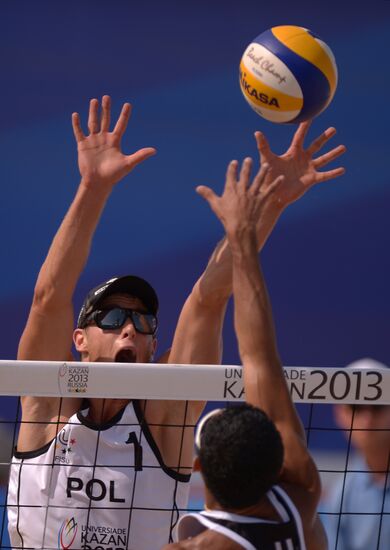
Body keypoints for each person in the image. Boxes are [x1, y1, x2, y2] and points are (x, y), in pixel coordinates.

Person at [7, 95, 345, 550]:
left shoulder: (166, 417)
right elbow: (49, 298)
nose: (130, 328)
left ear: (152, 350)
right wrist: (93, 187)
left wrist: (272, 203)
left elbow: (208, 299)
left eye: (143, 323)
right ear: (80, 340)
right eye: (112, 317)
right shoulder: (46, 404)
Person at [164, 158, 328, 550]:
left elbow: (260, 358)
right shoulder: (298, 502)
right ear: (277, 463)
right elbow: (259, 358)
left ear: (197, 467)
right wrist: (243, 235)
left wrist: (241, 233)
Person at [321, 358, 390, 550]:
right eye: (356, 406)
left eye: (377, 405)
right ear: (340, 414)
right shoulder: (342, 495)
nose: (367, 418)